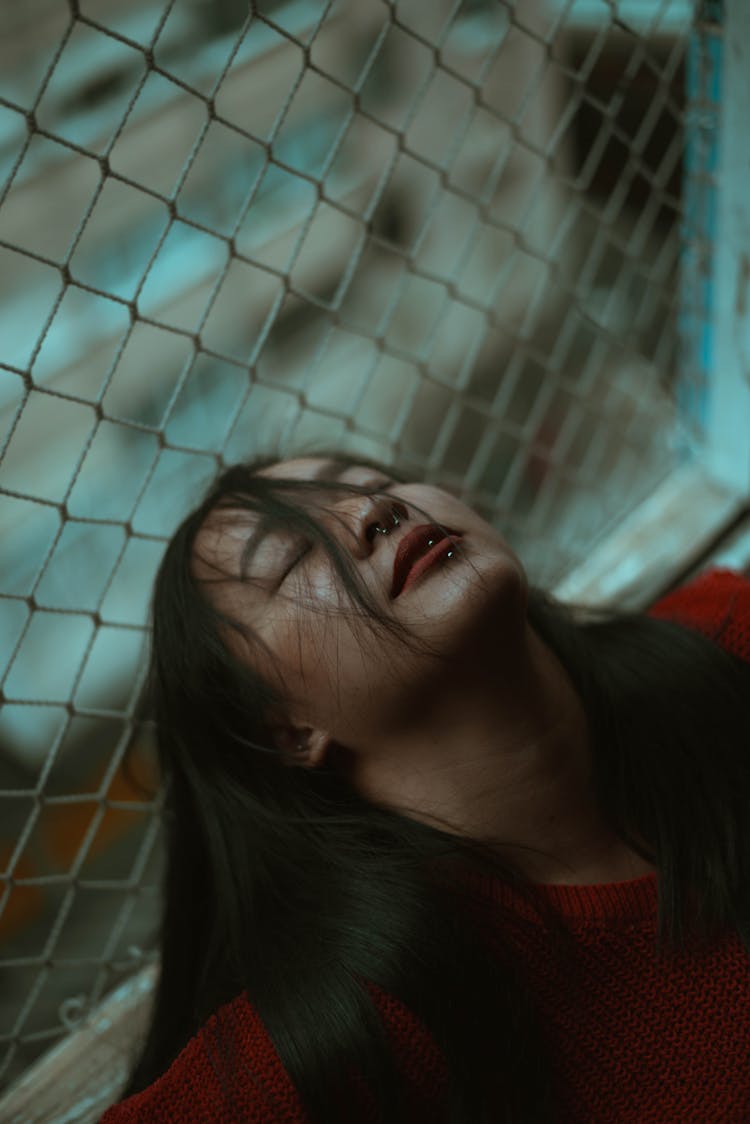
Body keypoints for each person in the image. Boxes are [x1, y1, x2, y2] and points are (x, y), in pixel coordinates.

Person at [101, 453, 750, 1123]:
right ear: (287, 732)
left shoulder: (725, 641)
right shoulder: (361, 1025)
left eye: (378, 486)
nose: (372, 512)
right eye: (293, 558)